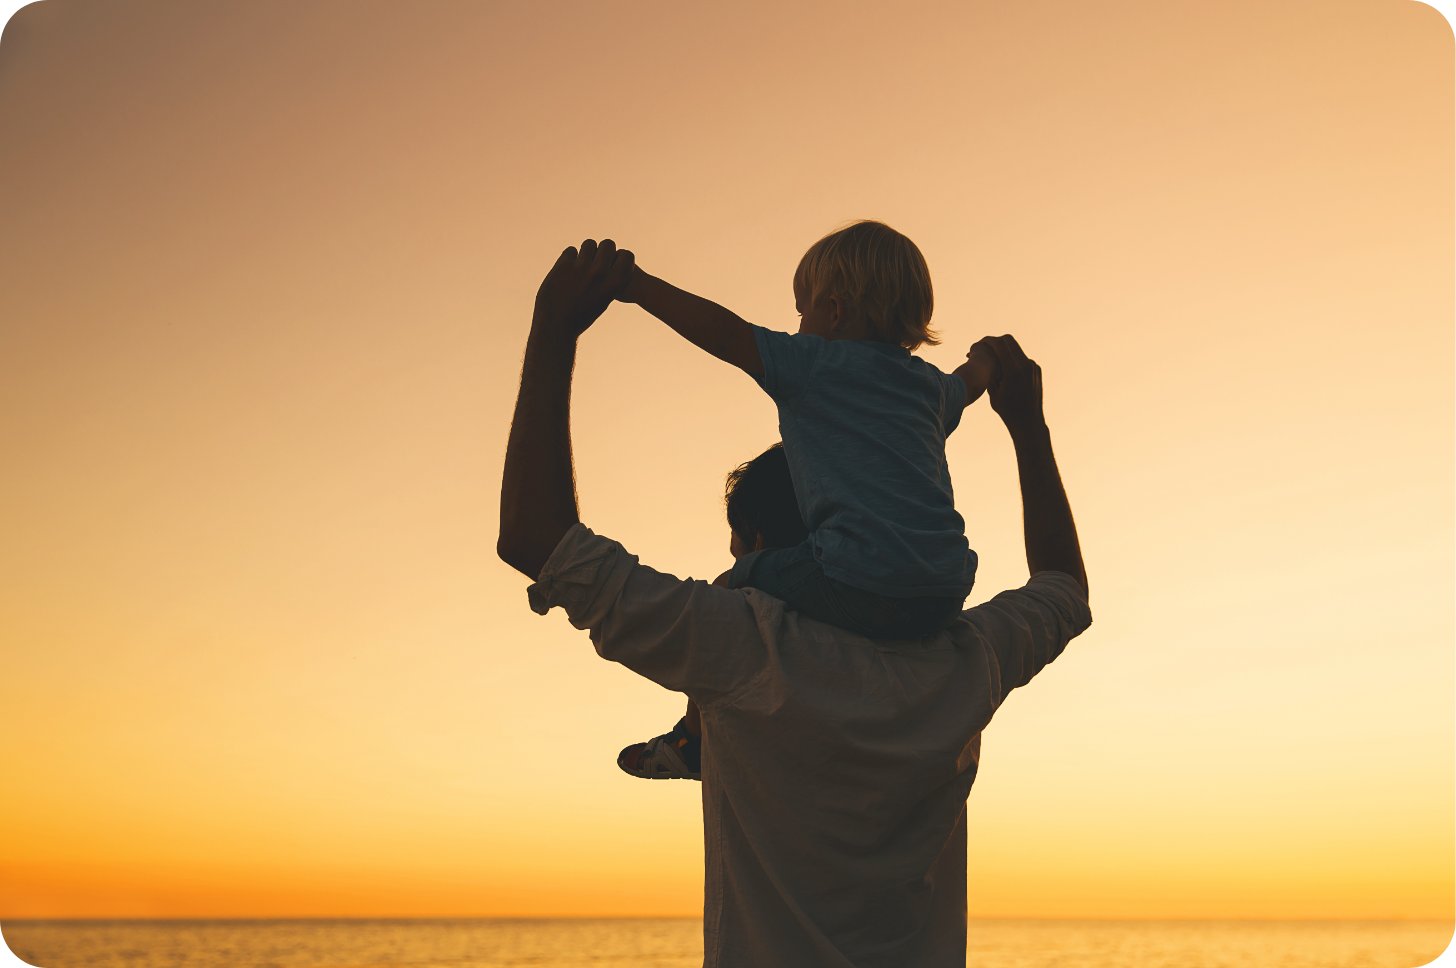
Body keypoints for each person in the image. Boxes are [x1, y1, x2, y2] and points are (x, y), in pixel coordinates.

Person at [498, 239, 1091, 968]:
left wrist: (555, 326)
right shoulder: (969, 661)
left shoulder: (744, 648)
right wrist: (1026, 424)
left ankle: (684, 744)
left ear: (756, 539)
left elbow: (536, 539)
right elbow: (1065, 589)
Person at [615, 220, 998, 778]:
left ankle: (690, 741)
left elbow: (724, 333)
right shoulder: (929, 389)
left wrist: (640, 287)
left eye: (802, 310)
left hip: (857, 577)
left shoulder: (814, 365)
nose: (797, 325)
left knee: (734, 583)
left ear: (835, 312)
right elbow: (971, 382)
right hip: (945, 588)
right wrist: (989, 358)